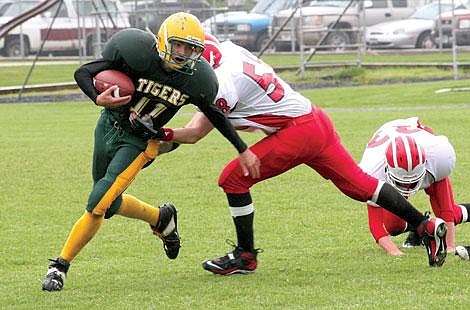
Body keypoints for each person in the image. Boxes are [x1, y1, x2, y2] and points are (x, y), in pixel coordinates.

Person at [168, 34, 448, 275]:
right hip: (314, 119)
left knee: (232, 179)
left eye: (188, 52)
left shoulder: (223, 81)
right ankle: (425, 225)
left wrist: (163, 133)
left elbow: (194, 133)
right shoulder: (228, 50)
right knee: (359, 186)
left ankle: (246, 255)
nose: (184, 58)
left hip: (298, 130)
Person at [41, 13, 259, 292]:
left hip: (141, 142)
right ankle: (160, 218)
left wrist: (242, 149)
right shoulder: (136, 52)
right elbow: (84, 72)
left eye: (191, 48)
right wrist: (97, 97)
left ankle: (60, 266)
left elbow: (214, 114)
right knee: (109, 202)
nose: (183, 53)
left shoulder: (198, 79)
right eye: (178, 45)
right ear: (163, 41)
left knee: (98, 203)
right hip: (107, 126)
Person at [358, 117, 470, 256]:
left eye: (412, 181)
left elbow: (446, 209)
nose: (408, 186)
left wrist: (450, 246)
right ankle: (422, 227)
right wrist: (396, 253)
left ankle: (423, 227)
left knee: (451, 213)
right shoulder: (371, 171)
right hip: (388, 144)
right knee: (394, 226)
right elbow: (376, 225)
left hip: (423, 141)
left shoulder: (439, 155)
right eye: (403, 182)